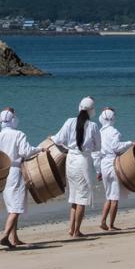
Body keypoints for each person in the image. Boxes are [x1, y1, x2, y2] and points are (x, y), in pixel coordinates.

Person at [0, 107, 40, 249]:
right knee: (16, 207)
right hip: (15, 171)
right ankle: (5, 235)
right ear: (12, 120)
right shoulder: (18, 134)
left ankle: (14, 238)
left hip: (3, 173)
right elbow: (26, 152)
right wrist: (39, 149)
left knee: (11, 205)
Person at [53, 97, 101, 238]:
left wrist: (66, 147)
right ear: (92, 110)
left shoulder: (69, 122)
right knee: (82, 198)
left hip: (71, 160)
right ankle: (76, 230)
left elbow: (58, 140)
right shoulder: (92, 126)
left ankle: (71, 228)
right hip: (83, 161)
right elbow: (98, 147)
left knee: (74, 196)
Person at [95, 107, 135, 232]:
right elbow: (116, 147)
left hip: (103, 163)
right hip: (113, 163)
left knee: (109, 195)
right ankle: (111, 225)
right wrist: (130, 143)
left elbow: (95, 154)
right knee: (115, 197)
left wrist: (98, 170)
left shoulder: (99, 133)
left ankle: (103, 221)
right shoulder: (114, 131)